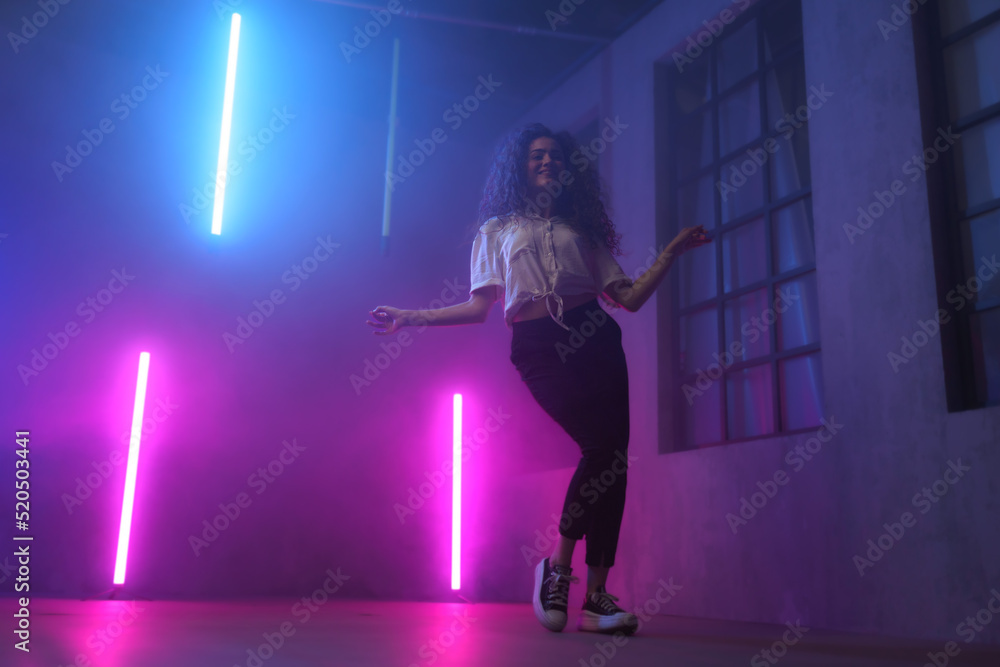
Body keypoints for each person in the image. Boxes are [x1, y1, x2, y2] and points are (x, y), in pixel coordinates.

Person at [368, 123, 709, 634]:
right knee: (599, 449)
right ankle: (558, 567)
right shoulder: (497, 229)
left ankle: (596, 599)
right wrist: (408, 317)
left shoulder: (583, 230)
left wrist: (669, 254)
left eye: (554, 156)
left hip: (595, 335)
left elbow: (630, 298)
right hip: (538, 347)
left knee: (612, 460)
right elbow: (478, 307)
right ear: (520, 168)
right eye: (536, 156)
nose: (547, 161)